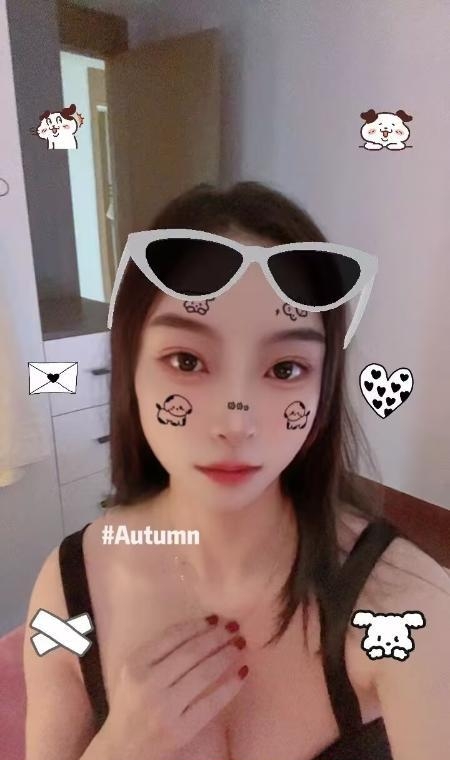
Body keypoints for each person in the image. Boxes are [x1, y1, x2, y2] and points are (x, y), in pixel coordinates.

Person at [24, 182, 450, 760]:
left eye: (285, 368)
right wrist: (118, 749)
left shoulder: (402, 605)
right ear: (130, 369)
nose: (235, 422)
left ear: (323, 387)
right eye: (187, 360)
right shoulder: (69, 587)